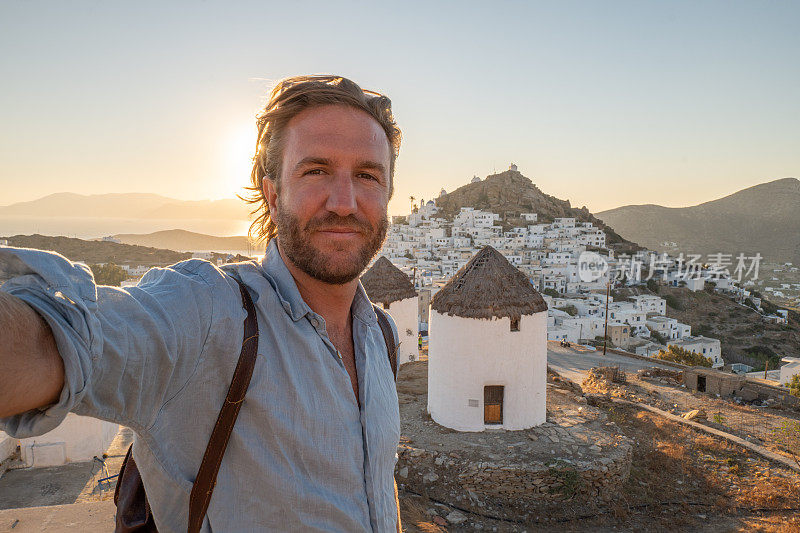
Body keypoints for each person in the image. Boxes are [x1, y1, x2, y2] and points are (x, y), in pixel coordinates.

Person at [0, 75, 403, 532]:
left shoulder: (382, 337)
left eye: (368, 176)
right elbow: (61, 341)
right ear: (272, 196)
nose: (345, 202)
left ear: (387, 195)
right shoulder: (211, 314)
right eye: (316, 171)